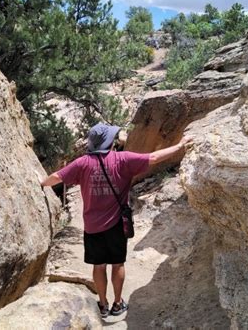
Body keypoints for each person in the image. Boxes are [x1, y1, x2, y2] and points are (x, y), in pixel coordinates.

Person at [37, 123, 192, 318]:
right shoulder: (122, 159)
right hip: (117, 224)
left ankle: (102, 304)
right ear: (111, 142)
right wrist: (180, 146)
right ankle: (118, 304)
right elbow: (153, 158)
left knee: (98, 266)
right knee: (117, 264)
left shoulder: (82, 163)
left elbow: (57, 177)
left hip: (92, 226)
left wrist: (41, 182)